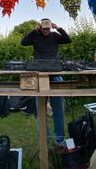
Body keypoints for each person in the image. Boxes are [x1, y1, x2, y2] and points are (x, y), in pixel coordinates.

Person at [21, 18, 72, 147]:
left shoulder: (55, 35)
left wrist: (58, 28)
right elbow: (23, 42)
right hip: (40, 72)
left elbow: (68, 40)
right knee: (40, 108)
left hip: (55, 72)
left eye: (48, 29)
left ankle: (59, 139)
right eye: (44, 29)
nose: (46, 31)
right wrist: (33, 31)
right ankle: (44, 139)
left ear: (50, 27)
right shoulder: (35, 35)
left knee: (58, 107)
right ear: (40, 27)